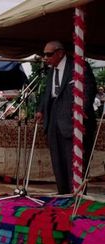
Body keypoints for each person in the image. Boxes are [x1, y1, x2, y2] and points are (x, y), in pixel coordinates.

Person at [36, 41, 97, 194]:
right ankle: (63, 194)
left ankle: (76, 196)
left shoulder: (78, 65)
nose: (45, 58)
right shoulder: (51, 70)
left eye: (49, 54)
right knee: (58, 160)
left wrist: (80, 110)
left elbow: (89, 88)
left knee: (74, 162)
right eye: (44, 54)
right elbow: (47, 94)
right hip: (54, 118)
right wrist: (41, 110)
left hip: (72, 119)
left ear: (60, 53)